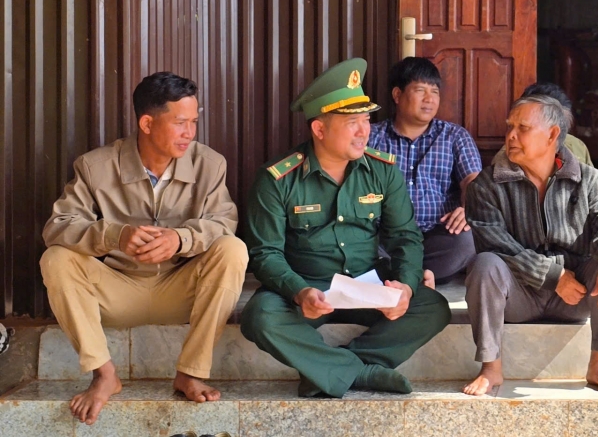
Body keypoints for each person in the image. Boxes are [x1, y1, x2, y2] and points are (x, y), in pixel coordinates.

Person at [40, 72, 247, 425]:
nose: (190, 133)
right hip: (117, 292)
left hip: (180, 290)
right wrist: (115, 236)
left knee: (232, 249)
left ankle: (190, 371)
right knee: (56, 258)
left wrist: (181, 239)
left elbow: (223, 222)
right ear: (147, 122)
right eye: (180, 123)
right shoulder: (95, 166)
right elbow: (57, 227)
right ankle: (104, 374)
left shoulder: (210, 164)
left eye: (194, 122)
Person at [239, 58, 451, 398]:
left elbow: (406, 238)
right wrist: (299, 291)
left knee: (433, 307)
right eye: (352, 122)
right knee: (260, 317)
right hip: (310, 288)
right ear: (319, 130)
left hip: (366, 284)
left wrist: (408, 287)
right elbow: (265, 254)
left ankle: (332, 369)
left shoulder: (382, 171)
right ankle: (362, 373)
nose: (364, 131)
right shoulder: (277, 179)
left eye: (366, 120)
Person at [463, 94, 598, 396]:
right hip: (518, 296)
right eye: (510, 127)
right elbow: (495, 243)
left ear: (553, 135)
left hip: (576, 296)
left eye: (523, 128)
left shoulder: (591, 180)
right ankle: (491, 368)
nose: (511, 136)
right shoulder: (487, 185)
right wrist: (553, 277)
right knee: (485, 264)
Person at [493, 82, 598, 278]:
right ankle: (596, 266)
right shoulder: (509, 157)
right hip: (539, 247)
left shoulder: (576, 146)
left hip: (582, 239)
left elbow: (592, 202)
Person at [368, 58, 483, 286]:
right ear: (398, 95)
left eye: (435, 92)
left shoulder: (454, 137)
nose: (429, 99)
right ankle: (417, 278)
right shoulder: (372, 138)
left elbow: (473, 182)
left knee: (467, 241)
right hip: (386, 236)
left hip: (438, 236)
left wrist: (468, 208)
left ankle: (406, 277)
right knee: (360, 244)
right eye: (420, 90)